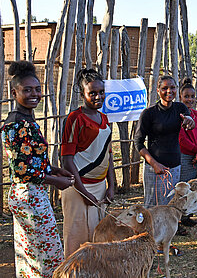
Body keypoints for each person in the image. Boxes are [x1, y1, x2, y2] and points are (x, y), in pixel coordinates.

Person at [1, 61, 74, 277]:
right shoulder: (18, 124)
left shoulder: (25, 119)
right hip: (29, 195)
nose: (34, 94)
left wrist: (54, 169)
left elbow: (29, 159)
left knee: (31, 253)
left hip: (29, 192)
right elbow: (23, 170)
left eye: (37, 89)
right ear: (14, 93)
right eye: (27, 90)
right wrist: (54, 180)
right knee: (48, 253)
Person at [61, 68, 116, 257]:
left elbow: (108, 156)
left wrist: (111, 186)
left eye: (101, 92)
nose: (98, 97)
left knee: (97, 237)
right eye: (92, 93)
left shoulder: (105, 119)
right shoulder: (75, 119)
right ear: (82, 93)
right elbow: (67, 160)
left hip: (100, 187)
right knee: (76, 239)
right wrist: (83, 192)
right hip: (78, 188)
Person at [136, 76, 195, 207]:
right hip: (155, 169)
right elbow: (138, 142)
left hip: (174, 167)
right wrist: (154, 164)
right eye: (165, 88)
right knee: (152, 206)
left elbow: (189, 120)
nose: (169, 91)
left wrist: (190, 122)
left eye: (172, 87)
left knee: (170, 206)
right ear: (158, 90)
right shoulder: (149, 113)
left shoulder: (180, 108)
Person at [178, 78, 197, 182]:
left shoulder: (195, 114)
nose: (190, 99)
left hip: (195, 157)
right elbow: (181, 139)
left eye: (192, 97)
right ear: (180, 97)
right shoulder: (178, 115)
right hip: (184, 157)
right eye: (186, 96)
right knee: (184, 186)